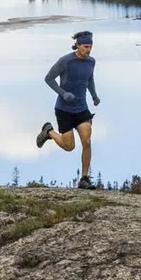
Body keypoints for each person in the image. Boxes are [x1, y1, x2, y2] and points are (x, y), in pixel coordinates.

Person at [37, 30, 99, 188]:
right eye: (85, 47)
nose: (88, 50)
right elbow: (48, 79)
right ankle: (48, 132)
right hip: (64, 110)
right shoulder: (65, 61)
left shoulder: (91, 62)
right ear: (77, 46)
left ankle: (84, 179)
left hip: (82, 109)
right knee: (69, 146)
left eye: (90, 46)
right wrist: (63, 93)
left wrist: (94, 95)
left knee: (87, 141)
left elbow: (90, 80)